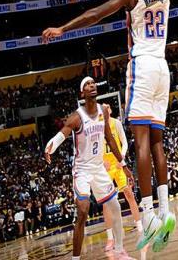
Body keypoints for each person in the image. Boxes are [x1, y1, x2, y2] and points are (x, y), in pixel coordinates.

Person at [42, 0, 178, 252]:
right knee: (157, 143)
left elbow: (95, 15)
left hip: (142, 67)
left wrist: (63, 28)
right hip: (163, 69)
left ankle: (148, 215)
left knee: (141, 141)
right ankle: (166, 209)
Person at [44, 77, 135, 260]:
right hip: (82, 170)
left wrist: (124, 165)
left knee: (115, 206)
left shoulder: (103, 111)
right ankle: (75, 258)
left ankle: (119, 251)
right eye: (87, 84)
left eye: (93, 83)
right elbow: (62, 134)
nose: (91, 85)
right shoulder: (76, 117)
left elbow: (110, 138)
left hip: (99, 168)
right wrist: (50, 147)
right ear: (82, 93)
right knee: (83, 210)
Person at [103, 111, 142, 252]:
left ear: (109, 111)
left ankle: (140, 227)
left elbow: (124, 142)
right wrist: (101, 161)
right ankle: (110, 238)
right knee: (106, 203)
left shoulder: (116, 123)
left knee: (129, 194)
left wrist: (122, 157)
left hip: (118, 164)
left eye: (106, 108)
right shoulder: (97, 126)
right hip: (106, 167)